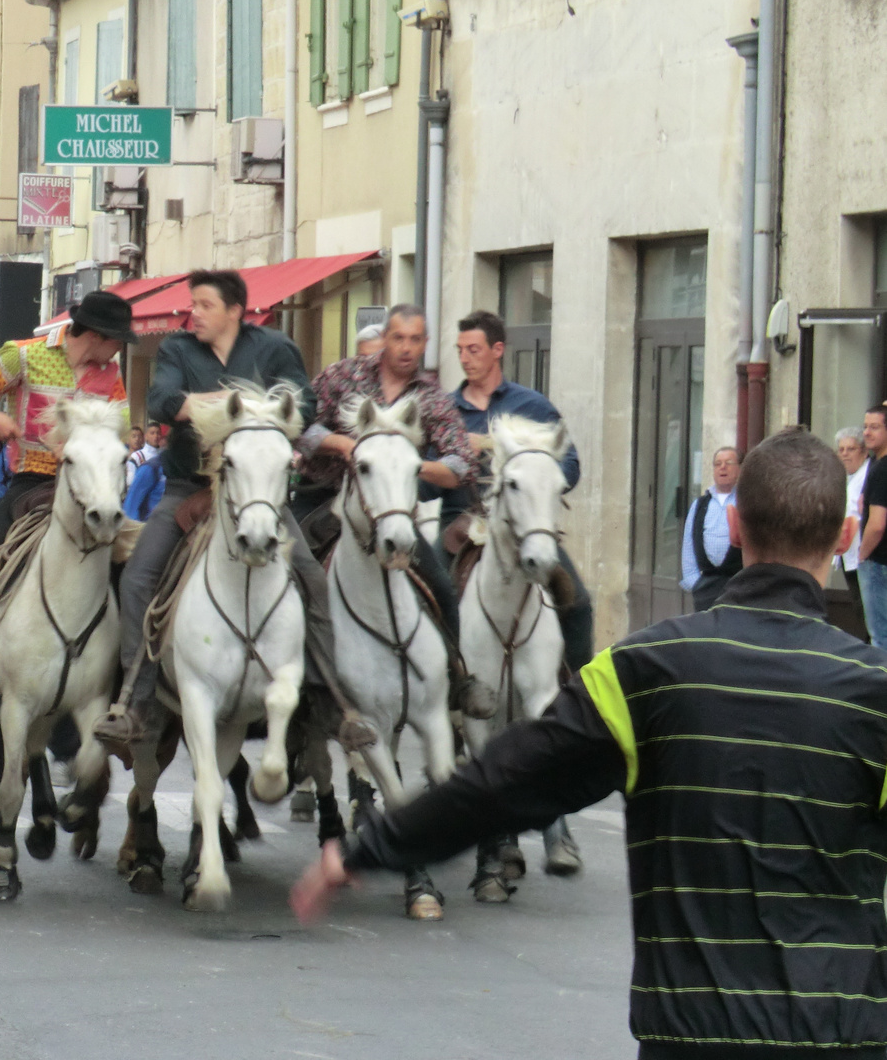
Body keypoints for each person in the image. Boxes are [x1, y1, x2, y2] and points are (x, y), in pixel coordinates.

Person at [293, 428, 887, 1060]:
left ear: (735, 525)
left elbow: (501, 782)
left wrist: (366, 850)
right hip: (845, 1033)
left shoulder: (642, 670)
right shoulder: (874, 693)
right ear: (846, 536)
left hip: (693, 1034)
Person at [94, 270, 376, 749]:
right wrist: (229, 401)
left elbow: (301, 404)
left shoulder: (275, 348)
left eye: (204, 305)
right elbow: (162, 401)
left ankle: (329, 700)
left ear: (234, 311)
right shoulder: (178, 349)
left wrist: (223, 408)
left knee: (311, 575)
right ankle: (135, 700)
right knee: (139, 574)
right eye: (193, 304)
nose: (193, 313)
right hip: (187, 486)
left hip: (257, 494)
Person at [0, 290, 133, 700]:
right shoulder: (23, 354)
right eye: (117, 339)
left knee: (132, 565)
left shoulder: (111, 374)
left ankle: (123, 684)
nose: (119, 348)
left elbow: (120, 426)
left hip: (92, 486)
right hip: (33, 482)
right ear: (97, 334)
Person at [290, 302, 490, 720]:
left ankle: (458, 678)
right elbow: (301, 424)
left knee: (439, 583)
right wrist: (344, 445)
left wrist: (416, 466)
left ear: (425, 343)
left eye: (415, 339)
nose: (405, 347)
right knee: (291, 573)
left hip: (388, 509)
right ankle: (290, 678)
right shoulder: (345, 374)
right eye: (398, 337)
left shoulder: (431, 397)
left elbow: (462, 463)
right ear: (386, 338)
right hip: (323, 493)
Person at [446, 309, 593, 671]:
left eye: (473, 349)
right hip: (459, 524)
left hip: (525, 524)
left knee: (578, 604)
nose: (465, 358)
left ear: (498, 350)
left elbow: (570, 466)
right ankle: (447, 685)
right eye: (460, 350)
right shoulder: (446, 411)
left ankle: (579, 697)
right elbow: (424, 484)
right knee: (433, 595)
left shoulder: (533, 406)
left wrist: (534, 477)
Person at [680, 446, 743, 612]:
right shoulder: (699, 504)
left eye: (729, 463)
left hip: (738, 588)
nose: (722, 467)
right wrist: (694, 583)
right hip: (705, 589)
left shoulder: (746, 502)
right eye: (718, 464)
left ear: (739, 469)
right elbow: (688, 544)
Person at [855, 406, 887, 644]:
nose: (867, 432)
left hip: (878, 562)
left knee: (880, 636)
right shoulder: (875, 466)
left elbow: (877, 525)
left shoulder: (881, 469)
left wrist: (862, 555)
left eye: (874, 427)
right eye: (865, 426)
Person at [837, 425, 869, 628]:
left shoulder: (868, 475)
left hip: (865, 553)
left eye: (851, 449)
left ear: (864, 452)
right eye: (841, 449)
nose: (845, 454)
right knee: (860, 606)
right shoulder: (845, 479)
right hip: (849, 553)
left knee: (868, 609)